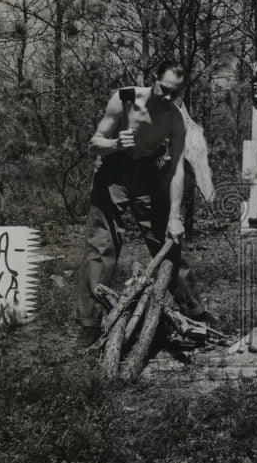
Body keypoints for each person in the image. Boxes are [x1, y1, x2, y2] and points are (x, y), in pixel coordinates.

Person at [75, 61, 208, 349]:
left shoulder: (175, 118)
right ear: (153, 81)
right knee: (101, 245)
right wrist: (115, 145)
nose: (169, 98)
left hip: (147, 173)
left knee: (169, 239)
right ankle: (91, 323)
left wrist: (175, 215)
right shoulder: (123, 99)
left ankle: (196, 312)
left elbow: (177, 170)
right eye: (164, 89)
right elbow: (93, 145)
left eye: (176, 93)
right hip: (113, 171)